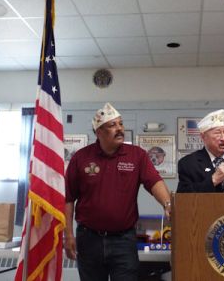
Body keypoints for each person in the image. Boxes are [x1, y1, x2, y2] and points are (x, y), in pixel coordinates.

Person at [64, 102, 171, 281]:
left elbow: (154, 182)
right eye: (112, 125)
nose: (119, 128)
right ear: (99, 132)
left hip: (123, 240)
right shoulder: (81, 158)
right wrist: (68, 235)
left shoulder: (137, 155)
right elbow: (68, 199)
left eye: (121, 123)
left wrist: (167, 204)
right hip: (89, 240)